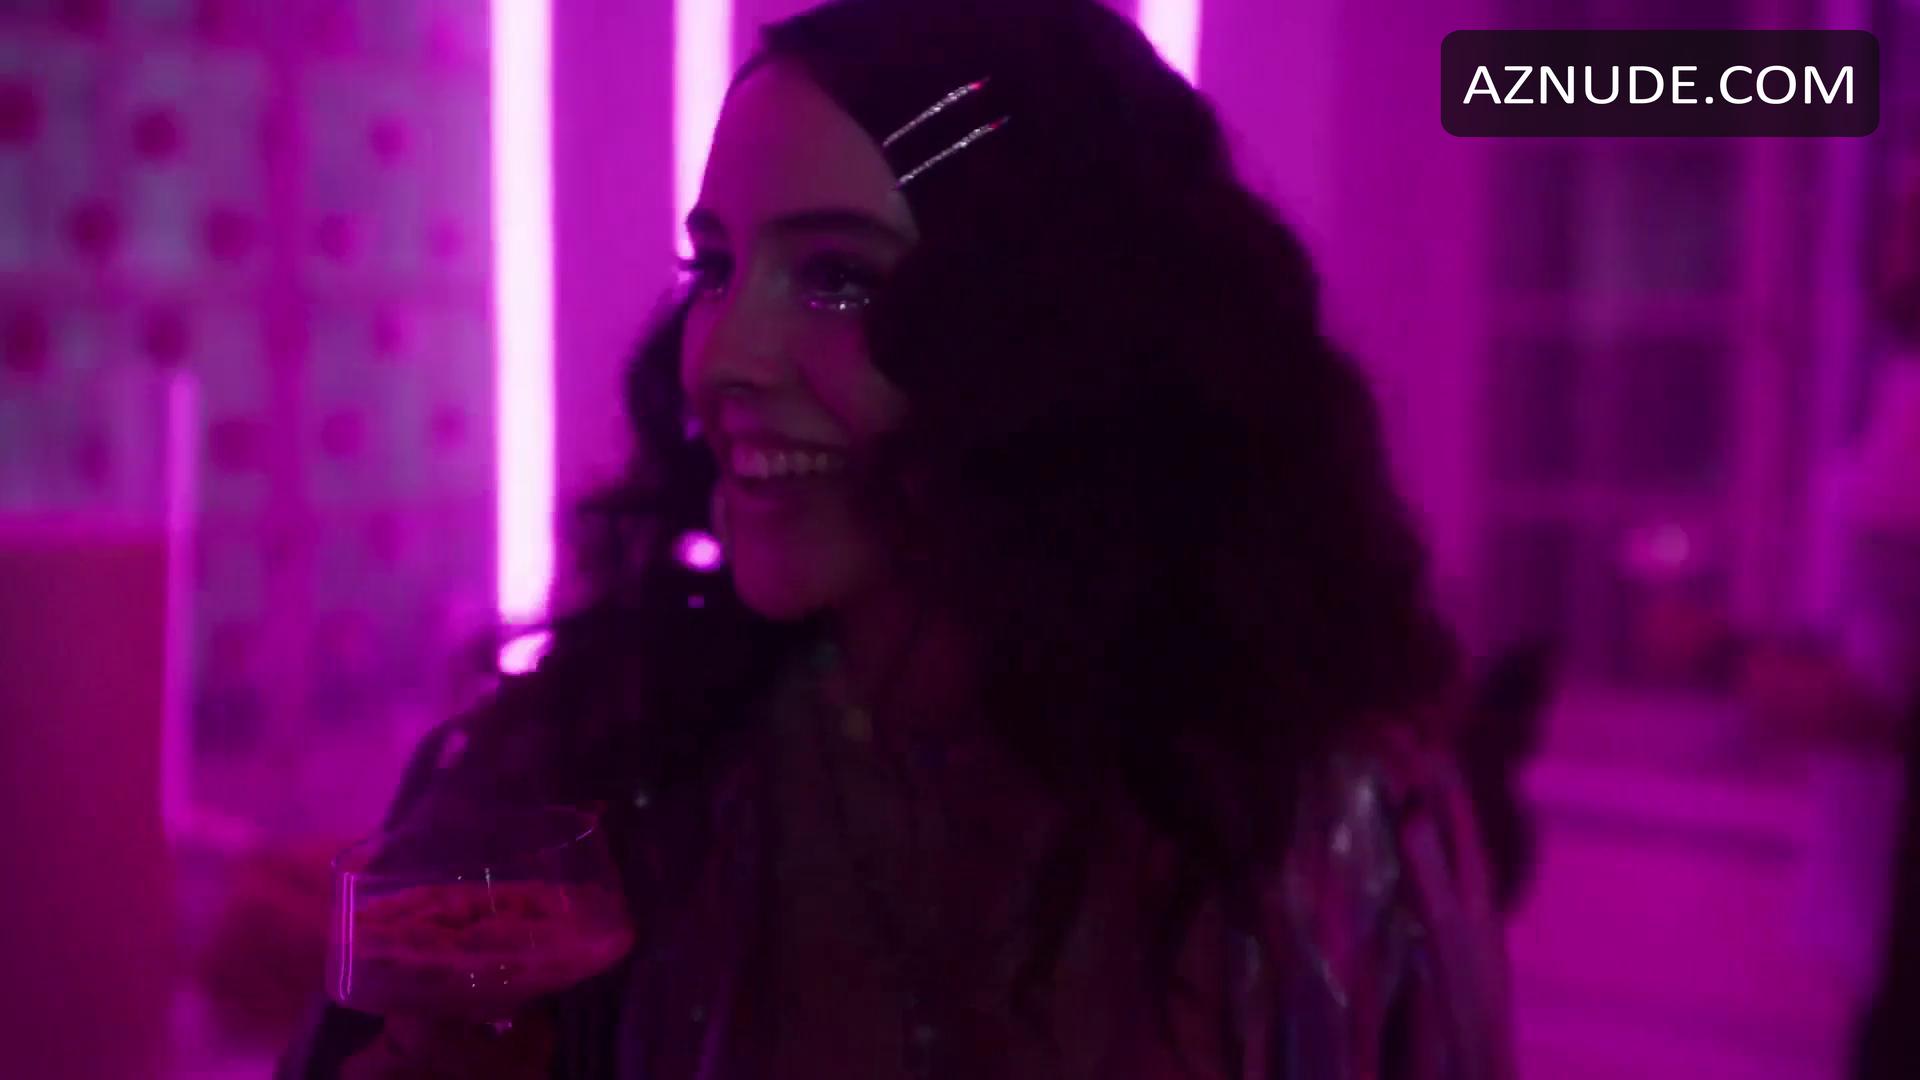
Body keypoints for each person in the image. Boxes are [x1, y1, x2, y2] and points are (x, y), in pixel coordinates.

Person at [280, 1, 1515, 1076]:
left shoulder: (1323, 820)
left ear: (1068, 339)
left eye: (839, 278)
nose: (725, 358)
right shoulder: (591, 768)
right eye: (715, 266)